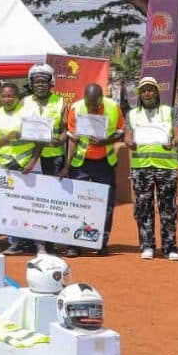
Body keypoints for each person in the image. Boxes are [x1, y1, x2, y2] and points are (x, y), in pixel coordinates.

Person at [60, 83, 124, 256]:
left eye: (95, 104)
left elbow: (121, 132)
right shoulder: (76, 108)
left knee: (106, 205)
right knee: (77, 204)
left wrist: (105, 141)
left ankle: (101, 243)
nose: (92, 107)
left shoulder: (113, 107)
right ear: (84, 98)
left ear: (101, 98)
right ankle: (74, 244)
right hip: (81, 164)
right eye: (89, 104)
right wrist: (67, 165)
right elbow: (72, 139)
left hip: (105, 163)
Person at [125, 77, 178, 261]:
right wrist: (130, 143)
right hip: (141, 167)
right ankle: (147, 245)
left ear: (157, 92)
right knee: (143, 207)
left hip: (166, 167)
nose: (147, 93)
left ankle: (170, 247)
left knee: (168, 207)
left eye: (150, 90)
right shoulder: (132, 114)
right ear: (139, 94)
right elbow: (127, 136)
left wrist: (173, 142)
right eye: (143, 91)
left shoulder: (169, 111)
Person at [0, 81, 41, 255]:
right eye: (3, 96)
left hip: (27, 164)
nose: (7, 99)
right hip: (4, 165)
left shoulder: (29, 112)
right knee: (9, 206)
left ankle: (37, 242)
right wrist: (8, 138)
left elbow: (40, 139)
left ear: (17, 96)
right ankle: (15, 243)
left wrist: (32, 162)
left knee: (32, 205)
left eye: (10, 95)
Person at [22, 62, 68, 254]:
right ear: (31, 83)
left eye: (44, 80)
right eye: (36, 81)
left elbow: (67, 129)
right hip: (28, 158)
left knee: (51, 202)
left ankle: (49, 243)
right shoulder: (24, 102)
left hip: (53, 157)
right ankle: (32, 242)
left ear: (51, 82)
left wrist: (61, 140)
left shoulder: (61, 102)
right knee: (31, 201)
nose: (40, 84)